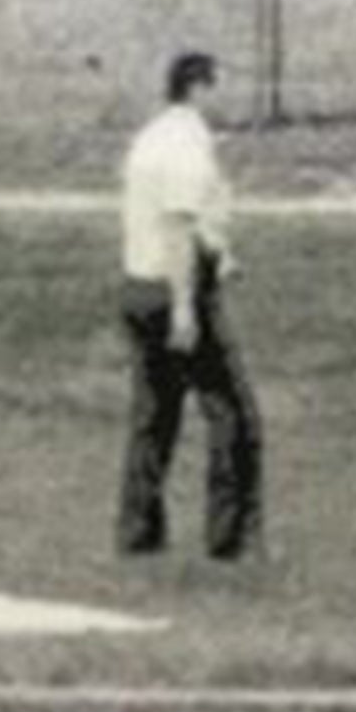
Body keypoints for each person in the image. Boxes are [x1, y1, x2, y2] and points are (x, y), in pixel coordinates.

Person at [115, 50, 262, 562]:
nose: (229, 99)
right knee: (235, 415)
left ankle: (138, 535)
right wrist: (184, 308)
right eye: (222, 86)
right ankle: (230, 541)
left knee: (154, 417)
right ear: (199, 88)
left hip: (137, 284)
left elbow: (175, 219)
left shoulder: (152, 136)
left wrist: (220, 256)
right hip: (173, 289)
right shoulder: (187, 146)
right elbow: (178, 226)